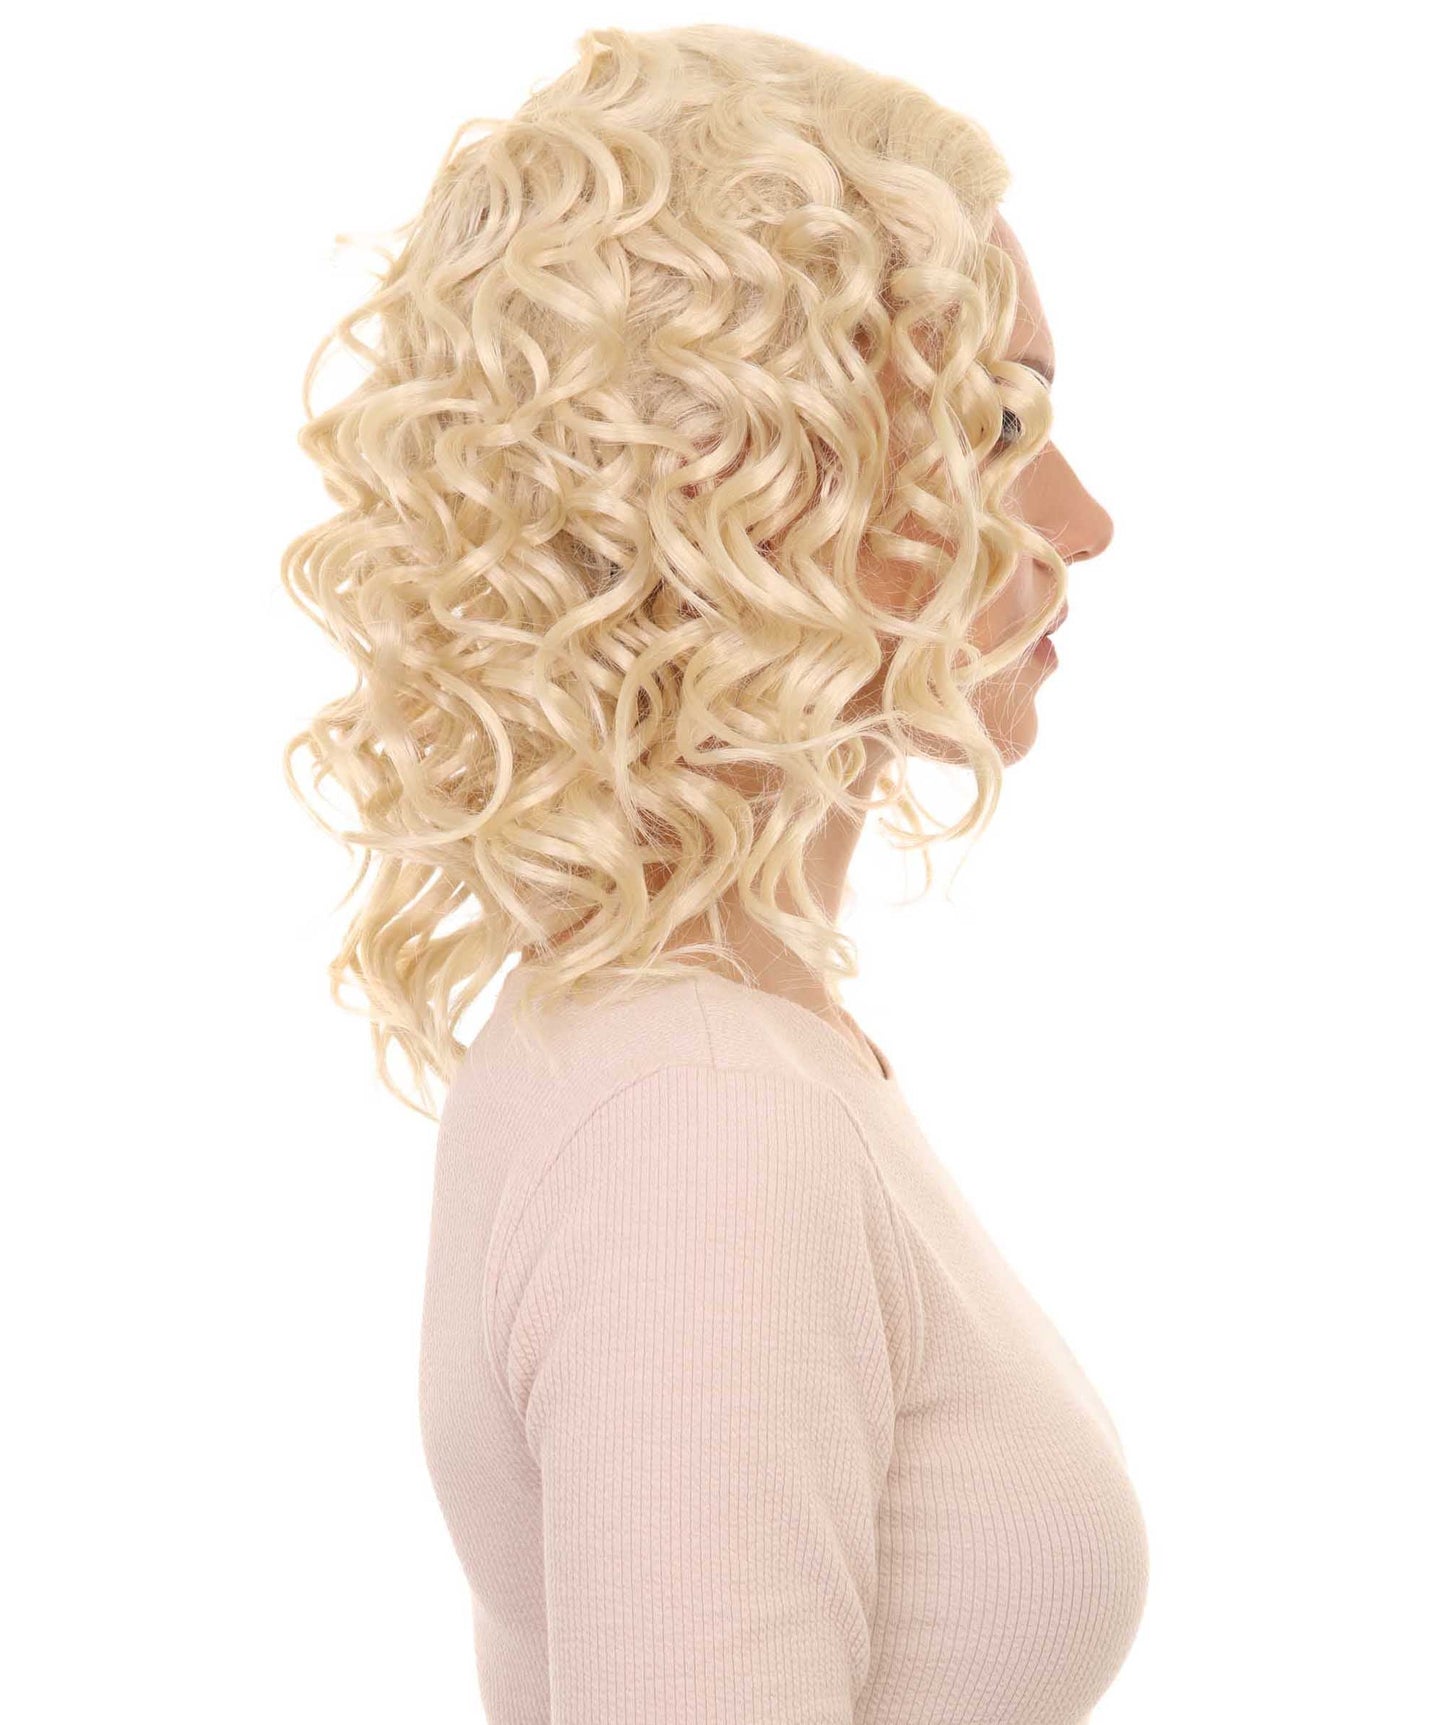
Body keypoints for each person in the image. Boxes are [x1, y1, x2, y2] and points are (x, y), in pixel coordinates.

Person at [283, 22, 1147, 1723]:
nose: (1080, 518)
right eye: (994, 423)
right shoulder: (701, 1112)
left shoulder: (695, 1048)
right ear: (747, 483)